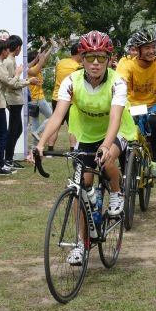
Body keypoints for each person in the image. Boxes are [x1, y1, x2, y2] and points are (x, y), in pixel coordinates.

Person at [34, 31, 133, 265]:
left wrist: (106, 145)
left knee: (107, 158)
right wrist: (39, 144)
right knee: (81, 188)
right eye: (90, 58)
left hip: (117, 131)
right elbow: (58, 115)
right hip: (87, 134)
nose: (95, 63)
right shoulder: (71, 81)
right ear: (82, 58)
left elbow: (115, 118)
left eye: (101, 57)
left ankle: (117, 192)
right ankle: (81, 243)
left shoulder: (117, 83)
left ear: (109, 59)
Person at [116, 28, 156, 177]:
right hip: (134, 105)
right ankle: (125, 170)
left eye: (153, 47)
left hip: (155, 104)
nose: (151, 51)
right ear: (137, 49)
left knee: (154, 122)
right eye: (147, 47)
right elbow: (120, 83)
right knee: (125, 135)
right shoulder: (127, 64)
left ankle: (154, 163)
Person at [3, 35, 35, 164]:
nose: (20, 50)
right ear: (17, 47)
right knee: (14, 130)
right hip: (13, 99)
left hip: (15, 99)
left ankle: (9, 157)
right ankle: (8, 158)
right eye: (20, 47)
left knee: (17, 129)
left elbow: (14, 81)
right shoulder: (10, 62)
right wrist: (28, 81)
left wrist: (29, 81)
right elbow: (12, 83)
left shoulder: (11, 60)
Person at [0, 40, 18, 174]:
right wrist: (18, 74)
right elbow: (9, 82)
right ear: (4, 51)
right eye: (7, 50)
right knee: (2, 135)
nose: (9, 52)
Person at [27, 40, 54, 143]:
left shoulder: (29, 67)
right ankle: (38, 132)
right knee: (52, 117)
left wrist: (46, 46)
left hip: (31, 100)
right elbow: (42, 58)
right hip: (38, 99)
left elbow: (42, 57)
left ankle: (34, 147)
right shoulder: (34, 69)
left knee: (35, 123)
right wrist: (48, 47)